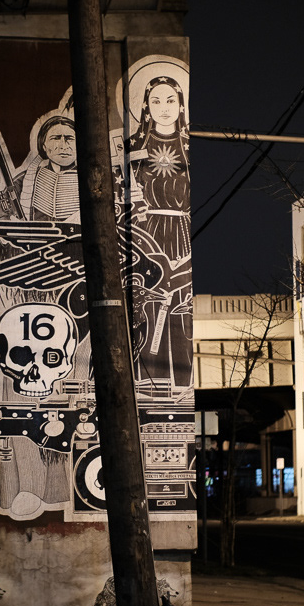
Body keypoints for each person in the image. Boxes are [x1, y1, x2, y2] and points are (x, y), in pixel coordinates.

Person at [126, 76, 193, 393]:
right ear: (145, 106)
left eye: (170, 101)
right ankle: (146, 377)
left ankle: (181, 380)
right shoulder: (134, 147)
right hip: (148, 232)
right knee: (148, 299)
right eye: (156, 101)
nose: (164, 108)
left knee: (180, 302)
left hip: (180, 231)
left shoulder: (190, 147)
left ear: (181, 106)